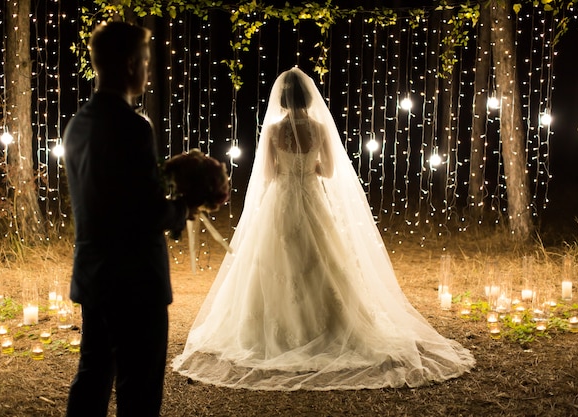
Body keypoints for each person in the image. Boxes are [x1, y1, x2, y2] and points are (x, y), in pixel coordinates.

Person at [172, 67, 475, 391]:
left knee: (277, 258)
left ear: (283, 100)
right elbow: (329, 171)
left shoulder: (274, 131)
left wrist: (290, 171)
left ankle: (276, 331)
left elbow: (270, 174)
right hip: (312, 196)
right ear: (307, 97)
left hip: (282, 200)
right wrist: (309, 167)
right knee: (322, 258)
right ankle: (329, 326)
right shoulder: (318, 128)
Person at [63, 22, 199, 416]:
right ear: (127, 64)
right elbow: (146, 212)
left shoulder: (77, 125)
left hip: (94, 273)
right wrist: (185, 208)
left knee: (92, 377)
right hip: (135, 280)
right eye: (144, 60)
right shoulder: (133, 127)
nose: (147, 69)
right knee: (138, 389)